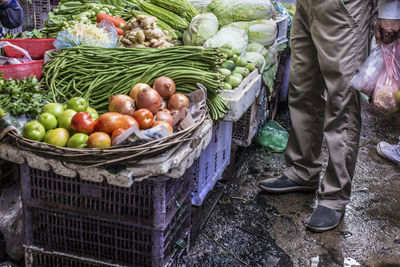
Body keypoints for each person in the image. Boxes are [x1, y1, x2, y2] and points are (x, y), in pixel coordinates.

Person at [259, 0, 400, 233]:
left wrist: (391, 10)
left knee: (341, 102)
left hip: (344, 8)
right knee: (302, 87)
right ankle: (302, 170)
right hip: (307, 6)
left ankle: (334, 195)